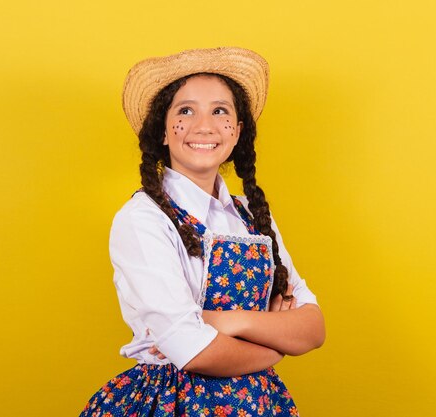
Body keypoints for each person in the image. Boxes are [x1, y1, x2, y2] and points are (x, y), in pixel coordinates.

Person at [79, 47, 325, 416]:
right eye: (185, 110)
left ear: (237, 132)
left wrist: (226, 321)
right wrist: (275, 342)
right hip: (172, 401)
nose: (205, 126)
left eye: (220, 111)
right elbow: (191, 350)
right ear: (162, 131)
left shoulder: (252, 216)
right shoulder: (143, 218)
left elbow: (312, 328)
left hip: (259, 404)